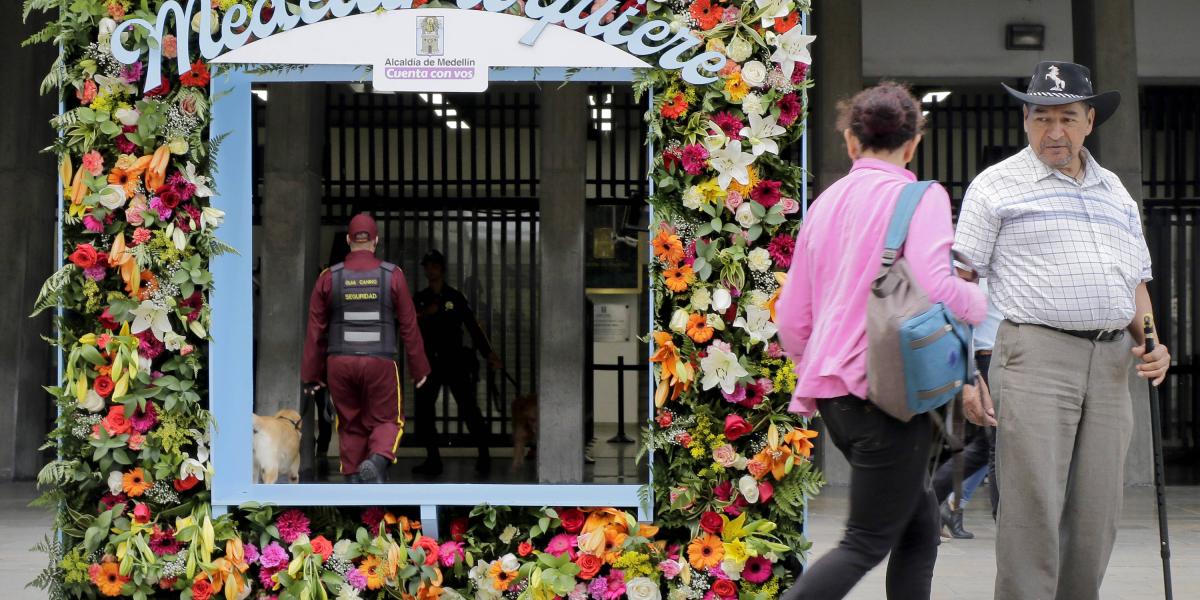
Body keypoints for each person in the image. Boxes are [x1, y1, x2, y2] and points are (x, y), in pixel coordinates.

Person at [953, 61, 1171, 600]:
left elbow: (1135, 282)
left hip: (1112, 361)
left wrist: (1152, 341)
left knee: (1098, 510)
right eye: (1041, 117)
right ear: (1025, 119)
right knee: (1032, 509)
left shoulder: (1115, 189)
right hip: (1033, 356)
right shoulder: (995, 186)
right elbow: (959, 284)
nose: (1055, 132)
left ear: (1090, 120)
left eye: (1067, 117)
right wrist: (963, 375)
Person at [776, 82, 988, 600]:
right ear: (913, 143)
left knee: (917, 525)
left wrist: (819, 363)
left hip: (835, 397)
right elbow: (939, 286)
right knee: (866, 541)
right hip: (889, 395)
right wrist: (979, 306)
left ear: (851, 140)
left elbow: (791, 317)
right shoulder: (922, 196)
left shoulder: (824, 203)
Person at [301, 214, 431, 484]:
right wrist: (419, 368)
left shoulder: (328, 277)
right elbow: (409, 324)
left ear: (349, 241)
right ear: (376, 241)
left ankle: (352, 478)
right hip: (379, 362)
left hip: (340, 363)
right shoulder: (392, 275)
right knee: (387, 420)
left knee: (350, 425)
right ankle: (378, 460)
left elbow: (315, 331)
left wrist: (311, 376)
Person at [412, 249, 503, 478]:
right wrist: (425, 312)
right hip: (429, 362)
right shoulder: (420, 298)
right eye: (427, 266)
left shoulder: (455, 297)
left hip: (454, 360)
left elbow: (472, 326)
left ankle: (484, 455)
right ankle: (433, 459)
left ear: (441, 269)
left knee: (469, 409)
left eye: (433, 265)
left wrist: (488, 353)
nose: (429, 270)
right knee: (424, 412)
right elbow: (407, 322)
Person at [931, 278, 1003, 539]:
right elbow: (956, 318)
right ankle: (1001, 520)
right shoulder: (972, 271)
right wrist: (970, 372)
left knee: (987, 447)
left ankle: (938, 503)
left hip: (1006, 358)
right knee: (997, 446)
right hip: (987, 359)